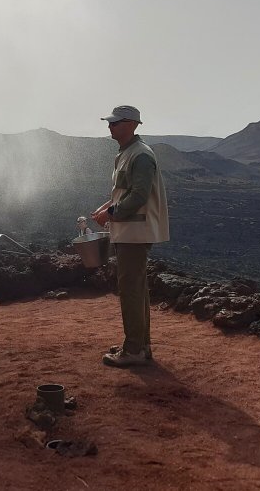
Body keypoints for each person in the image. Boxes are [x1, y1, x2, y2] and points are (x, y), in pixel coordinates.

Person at [91, 105, 170, 367]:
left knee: (131, 291)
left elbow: (139, 195)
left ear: (131, 124)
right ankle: (139, 345)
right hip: (129, 231)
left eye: (115, 123)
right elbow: (124, 191)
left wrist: (111, 213)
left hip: (135, 232)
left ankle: (134, 349)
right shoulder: (128, 153)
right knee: (137, 289)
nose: (110, 126)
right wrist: (106, 207)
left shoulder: (140, 155)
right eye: (110, 122)